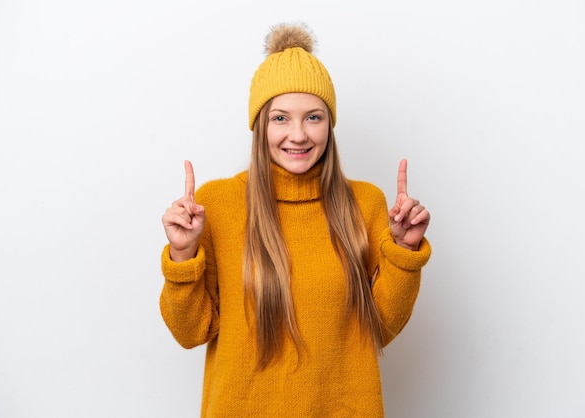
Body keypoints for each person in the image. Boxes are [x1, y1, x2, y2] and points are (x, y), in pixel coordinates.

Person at [160, 22, 432, 417]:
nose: (300, 135)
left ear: (330, 124)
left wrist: (404, 252)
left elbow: (379, 330)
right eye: (281, 118)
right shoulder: (216, 205)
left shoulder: (367, 204)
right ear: (260, 125)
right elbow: (190, 334)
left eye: (314, 117)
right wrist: (182, 255)